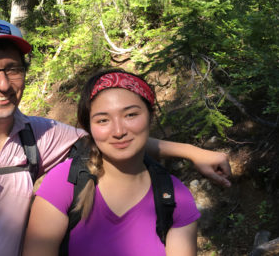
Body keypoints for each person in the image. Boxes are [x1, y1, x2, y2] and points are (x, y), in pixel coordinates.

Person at [0, 17, 230, 256]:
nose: (2, 84)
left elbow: (112, 137)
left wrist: (191, 152)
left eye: (13, 69)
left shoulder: (40, 134)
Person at [23, 69, 200, 256]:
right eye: (103, 120)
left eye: (130, 115)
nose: (118, 131)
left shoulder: (175, 197)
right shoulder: (66, 181)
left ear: (151, 115)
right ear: (89, 127)